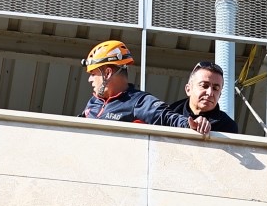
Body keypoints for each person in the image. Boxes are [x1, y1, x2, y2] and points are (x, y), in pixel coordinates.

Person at [79, 40, 213, 136]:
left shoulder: (139, 102)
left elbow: (167, 117)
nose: (90, 79)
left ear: (108, 73)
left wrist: (191, 123)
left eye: (92, 74)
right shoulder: (93, 102)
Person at [161, 61, 238, 135]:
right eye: (204, 86)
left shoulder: (228, 127)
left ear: (220, 95)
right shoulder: (169, 114)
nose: (210, 93)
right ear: (188, 89)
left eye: (215, 88)